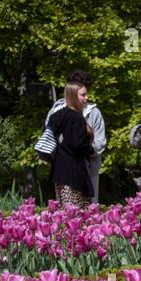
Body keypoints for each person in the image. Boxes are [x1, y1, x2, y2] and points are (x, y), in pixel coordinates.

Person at [37, 70, 106, 202]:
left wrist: (88, 155)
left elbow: (100, 143)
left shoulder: (94, 112)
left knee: (82, 209)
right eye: (82, 92)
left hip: (87, 168)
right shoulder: (57, 110)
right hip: (66, 169)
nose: (86, 97)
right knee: (74, 210)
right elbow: (49, 137)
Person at [45, 82, 95, 206]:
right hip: (74, 173)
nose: (86, 98)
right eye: (83, 95)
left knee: (63, 213)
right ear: (73, 96)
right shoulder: (76, 118)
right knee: (76, 215)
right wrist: (91, 150)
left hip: (58, 172)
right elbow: (78, 145)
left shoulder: (56, 116)